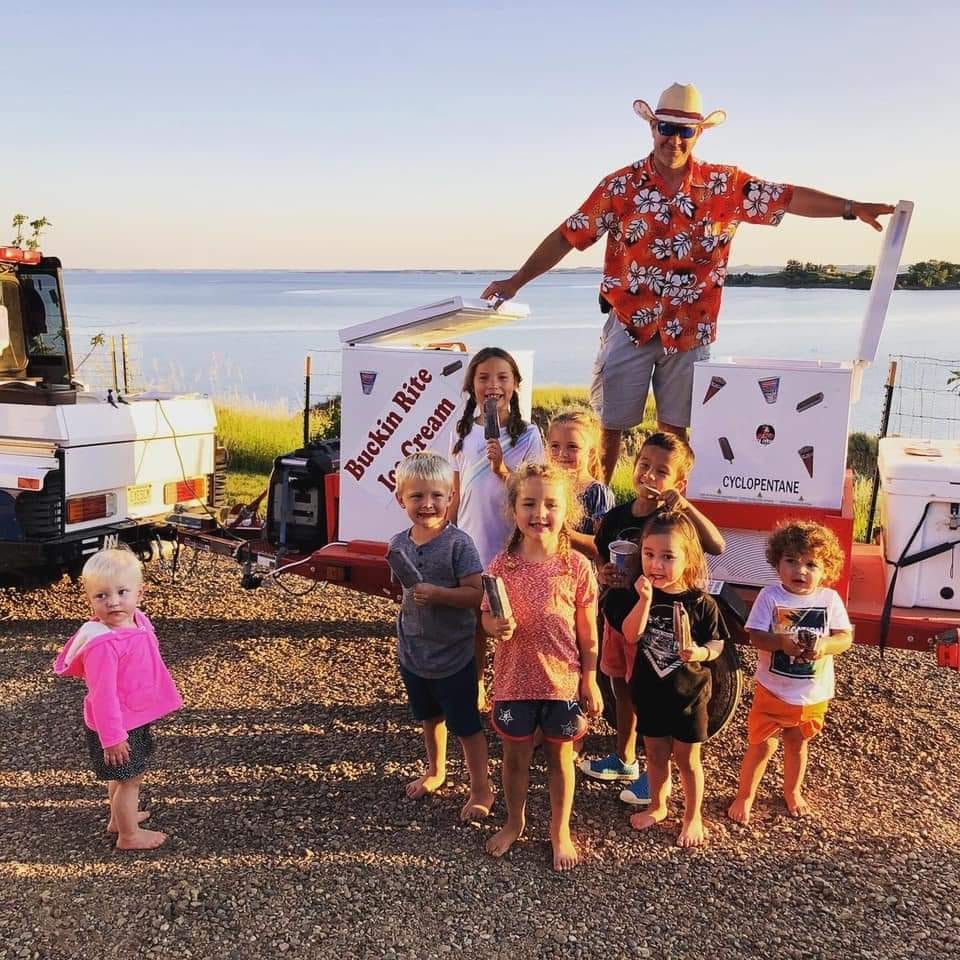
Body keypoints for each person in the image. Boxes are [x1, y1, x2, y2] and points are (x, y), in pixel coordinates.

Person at [480, 82, 895, 482]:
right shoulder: (620, 187)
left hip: (691, 332)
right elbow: (567, 236)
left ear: (697, 134)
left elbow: (787, 197)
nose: (674, 140)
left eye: (685, 131)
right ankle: (600, 511)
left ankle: (666, 519)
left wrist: (851, 208)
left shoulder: (725, 185)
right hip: (630, 325)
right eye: (666, 128)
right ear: (652, 127)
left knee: (675, 435)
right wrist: (516, 281)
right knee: (609, 430)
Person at [579, 432, 723, 805]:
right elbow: (602, 559)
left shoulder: (672, 521)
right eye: (644, 465)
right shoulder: (617, 517)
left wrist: (685, 505)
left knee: (654, 694)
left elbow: (716, 545)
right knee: (621, 688)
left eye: (662, 471)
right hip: (619, 615)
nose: (649, 475)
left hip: (655, 628)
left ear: (678, 482)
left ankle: (656, 775)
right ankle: (625, 757)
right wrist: (604, 575)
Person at [481, 462, 602, 871]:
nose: (540, 513)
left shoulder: (577, 567)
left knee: (560, 760)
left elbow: (588, 633)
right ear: (513, 510)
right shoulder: (502, 566)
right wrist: (493, 624)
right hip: (514, 682)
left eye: (551, 504)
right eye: (529, 503)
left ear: (567, 510)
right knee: (514, 759)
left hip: (562, 685)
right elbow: (485, 616)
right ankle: (514, 821)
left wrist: (590, 678)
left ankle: (559, 829)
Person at [604, 512, 728, 847]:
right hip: (650, 692)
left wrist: (700, 654)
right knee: (655, 755)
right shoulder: (635, 594)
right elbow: (631, 635)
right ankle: (658, 806)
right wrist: (644, 600)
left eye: (668, 557)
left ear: (688, 559)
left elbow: (717, 642)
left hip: (689, 696)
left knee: (688, 760)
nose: (656, 564)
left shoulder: (701, 602)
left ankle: (692, 816)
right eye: (649, 554)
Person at [387, 452, 495, 822]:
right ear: (401, 499)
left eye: (436, 495)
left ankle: (482, 787)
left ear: (451, 499)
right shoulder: (397, 543)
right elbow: (404, 591)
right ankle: (436, 771)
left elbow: (476, 594)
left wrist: (438, 594)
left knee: (466, 725)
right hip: (414, 653)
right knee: (429, 718)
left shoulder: (458, 544)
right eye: (417, 497)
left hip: (454, 655)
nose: (427, 504)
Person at [53, 547, 182, 851]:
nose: (113, 601)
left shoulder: (136, 620)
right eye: (101, 596)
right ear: (89, 600)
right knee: (130, 779)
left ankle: (118, 818)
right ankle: (129, 835)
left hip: (131, 717)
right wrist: (112, 738)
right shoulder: (103, 644)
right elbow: (103, 695)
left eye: (122, 592)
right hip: (117, 726)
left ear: (140, 592)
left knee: (121, 776)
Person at [727, 521, 853, 823]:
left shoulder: (829, 599)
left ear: (827, 570)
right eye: (792, 561)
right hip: (773, 691)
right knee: (761, 746)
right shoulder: (770, 596)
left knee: (798, 744)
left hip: (812, 693)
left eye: (811, 564)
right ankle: (745, 794)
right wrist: (781, 643)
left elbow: (845, 638)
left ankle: (792, 791)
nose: (801, 570)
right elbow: (755, 636)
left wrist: (824, 645)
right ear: (777, 562)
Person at [448, 347, 545, 569]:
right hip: (469, 542)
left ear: (516, 384)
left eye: (503, 378)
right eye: (483, 378)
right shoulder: (461, 431)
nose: (493, 385)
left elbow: (534, 493)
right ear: (472, 386)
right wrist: (447, 535)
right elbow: (457, 493)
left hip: (510, 543)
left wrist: (501, 469)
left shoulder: (528, 435)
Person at [546, 409, 615, 563]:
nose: (562, 453)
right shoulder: (545, 487)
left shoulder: (597, 493)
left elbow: (602, 548)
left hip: (581, 579)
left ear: (590, 453)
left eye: (572, 447)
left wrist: (563, 532)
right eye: (555, 446)